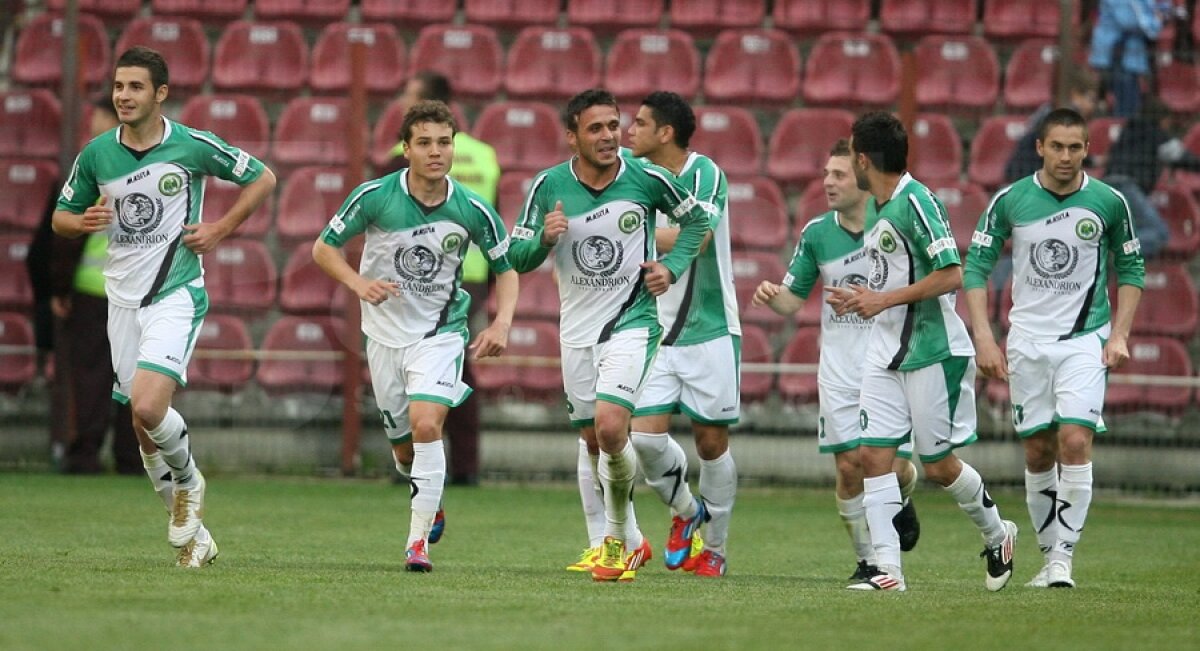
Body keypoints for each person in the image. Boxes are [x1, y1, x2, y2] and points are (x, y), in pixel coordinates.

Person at [53, 47, 276, 567]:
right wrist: (79, 221)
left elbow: (262, 177)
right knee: (140, 422)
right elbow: (61, 217)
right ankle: (196, 538)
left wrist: (220, 229)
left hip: (175, 293)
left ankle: (191, 485)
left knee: (149, 407)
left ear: (160, 93)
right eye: (118, 86)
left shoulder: (191, 145)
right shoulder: (96, 155)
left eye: (134, 87)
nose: (123, 96)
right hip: (120, 300)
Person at [508, 88, 712, 582]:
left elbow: (698, 222)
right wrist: (544, 239)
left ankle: (616, 541)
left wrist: (673, 265)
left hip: (632, 323)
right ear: (572, 135)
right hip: (576, 333)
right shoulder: (548, 185)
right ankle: (645, 534)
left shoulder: (647, 177)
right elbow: (515, 258)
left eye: (614, 125)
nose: (608, 136)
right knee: (594, 441)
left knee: (611, 427)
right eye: (595, 128)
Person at [312, 100, 518, 573]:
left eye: (444, 142)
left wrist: (502, 322)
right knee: (404, 449)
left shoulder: (472, 209)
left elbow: (505, 270)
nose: (435, 151)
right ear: (406, 149)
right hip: (383, 337)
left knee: (429, 426)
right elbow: (324, 248)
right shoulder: (375, 197)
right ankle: (430, 496)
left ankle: (417, 542)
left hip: (440, 333)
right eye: (424, 142)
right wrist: (359, 284)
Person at [826, 112, 1017, 592]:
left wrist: (883, 300)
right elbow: (888, 276)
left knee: (938, 466)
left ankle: (999, 533)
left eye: (851, 156)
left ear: (864, 159)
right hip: (883, 351)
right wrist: (862, 298)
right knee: (874, 457)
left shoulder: (918, 201)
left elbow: (953, 272)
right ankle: (888, 571)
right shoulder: (877, 206)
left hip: (931, 350)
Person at [965, 108, 1145, 588]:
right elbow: (975, 268)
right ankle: (1047, 556)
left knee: (1074, 441)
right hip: (1026, 342)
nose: (1066, 156)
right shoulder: (1010, 200)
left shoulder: (1108, 202)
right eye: (1057, 146)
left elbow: (1131, 271)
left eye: (1076, 147)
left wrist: (1120, 334)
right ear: (1040, 148)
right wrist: (984, 337)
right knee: (1038, 451)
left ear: (1087, 149)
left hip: (1085, 339)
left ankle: (1063, 556)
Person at [753, 139, 922, 587]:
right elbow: (793, 302)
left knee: (889, 466)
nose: (828, 182)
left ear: (864, 177)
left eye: (839, 174)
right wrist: (774, 298)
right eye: (826, 174)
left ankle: (904, 491)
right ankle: (869, 560)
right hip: (839, 371)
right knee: (850, 467)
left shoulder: (895, 223)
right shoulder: (816, 234)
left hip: (888, 362)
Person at [623, 91, 739, 578]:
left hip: (709, 328)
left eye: (640, 123)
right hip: (653, 330)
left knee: (711, 442)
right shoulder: (631, 171)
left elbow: (700, 233)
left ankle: (714, 550)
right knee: (643, 441)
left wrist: (630, 232)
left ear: (665, 133)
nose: (630, 131)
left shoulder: (705, 174)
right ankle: (688, 513)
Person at [385, 70, 502, 487]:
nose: (401, 100)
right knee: (457, 368)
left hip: (422, 276)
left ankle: (418, 457)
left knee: (417, 363)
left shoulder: (404, 155)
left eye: (409, 95)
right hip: (474, 275)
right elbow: (495, 226)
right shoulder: (486, 156)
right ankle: (463, 462)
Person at [51, 98, 140, 475]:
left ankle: (85, 455)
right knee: (134, 376)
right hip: (135, 291)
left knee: (91, 376)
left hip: (94, 290)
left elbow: (61, 234)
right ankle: (132, 457)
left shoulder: (88, 168)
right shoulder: (148, 168)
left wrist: (59, 288)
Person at [1102, 97, 1200, 259]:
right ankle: (1116, 250)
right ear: (1163, 120)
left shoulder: (1127, 131)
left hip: (1106, 188)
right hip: (1127, 187)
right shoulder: (1157, 135)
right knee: (1159, 234)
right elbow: (1181, 157)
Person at [1088, 0, 1175, 118]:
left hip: (1129, 59)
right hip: (1116, 56)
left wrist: (1162, 12)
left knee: (1131, 104)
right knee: (1125, 107)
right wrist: (1157, 19)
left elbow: (1159, 8)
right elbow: (1131, 21)